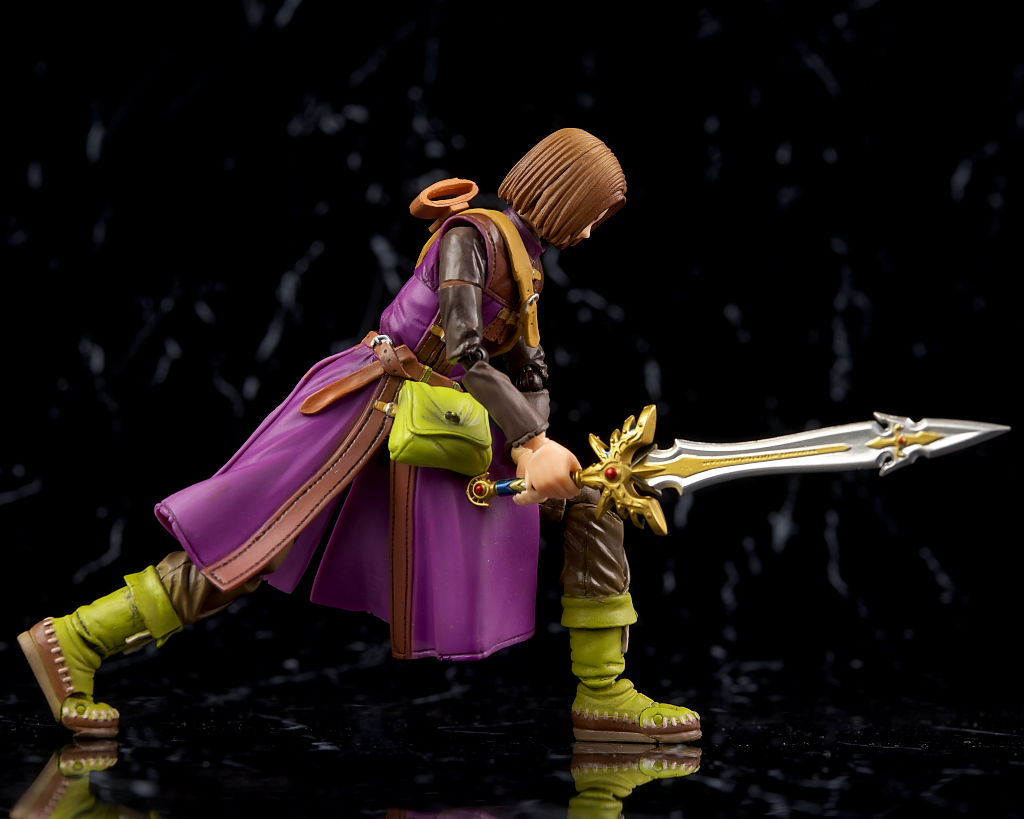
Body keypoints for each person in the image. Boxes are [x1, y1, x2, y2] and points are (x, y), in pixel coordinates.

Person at [18, 128, 701, 743]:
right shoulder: (472, 239)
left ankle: (604, 692)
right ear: (564, 193)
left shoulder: (525, 256)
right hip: (374, 404)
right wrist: (528, 441)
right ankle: (78, 639)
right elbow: (466, 350)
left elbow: (526, 361)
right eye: (592, 213)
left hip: (446, 419)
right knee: (257, 543)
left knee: (592, 502)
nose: (590, 231)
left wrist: (540, 434)